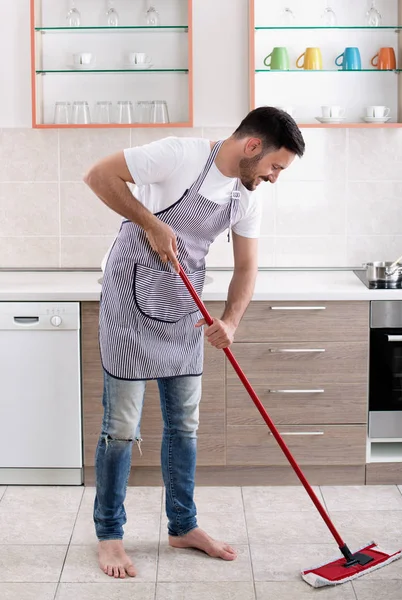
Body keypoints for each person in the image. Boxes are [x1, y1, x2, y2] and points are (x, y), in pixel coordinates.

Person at [84, 106, 305, 579]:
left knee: (184, 425)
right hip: (128, 302)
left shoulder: (246, 196)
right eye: (274, 166)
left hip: (184, 309)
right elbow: (98, 176)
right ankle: (110, 535)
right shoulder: (177, 155)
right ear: (252, 146)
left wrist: (231, 321)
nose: (273, 177)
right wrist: (151, 223)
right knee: (121, 427)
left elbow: (247, 269)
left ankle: (183, 526)